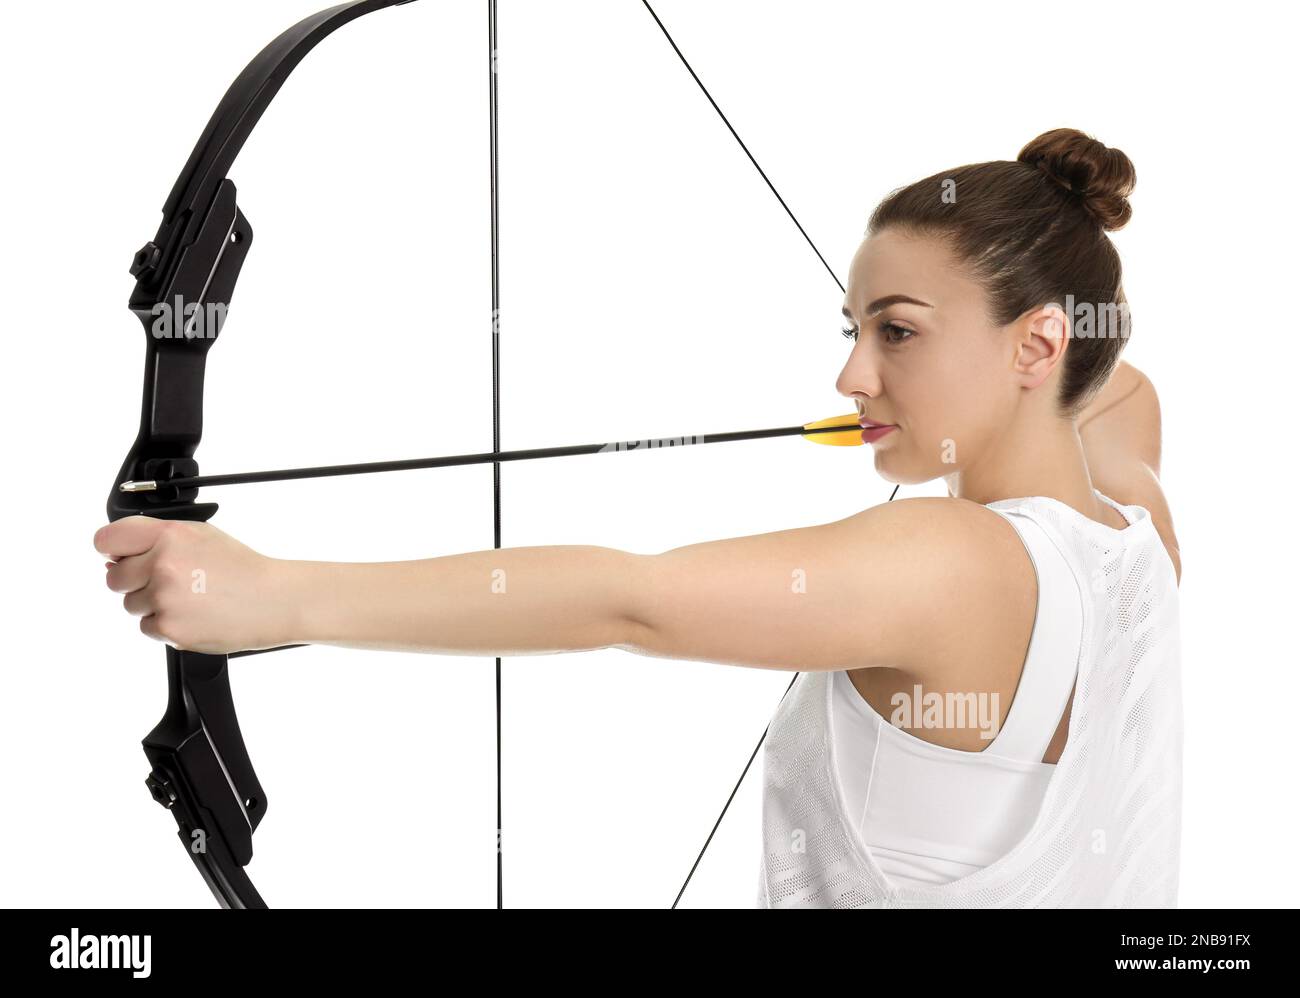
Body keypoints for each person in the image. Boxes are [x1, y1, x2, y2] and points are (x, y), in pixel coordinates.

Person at [95, 127, 1183, 908]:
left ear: (1039, 345)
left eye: (894, 332)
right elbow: (1122, 394)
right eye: (851, 327)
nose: (850, 372)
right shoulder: (1137, 523)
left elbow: (632, 601)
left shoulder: (951, 556)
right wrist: (991, 363)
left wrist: (269, 594)